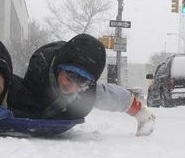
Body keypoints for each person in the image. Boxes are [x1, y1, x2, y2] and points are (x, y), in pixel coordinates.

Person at [22, 33, 156, 136]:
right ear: (59, 70)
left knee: (95, 95)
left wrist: (142, 114)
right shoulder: (37, 75)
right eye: (68, 79)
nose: (72, 87)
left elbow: (115, 97)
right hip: (46, 72)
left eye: (81, 83)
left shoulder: (86, 90)